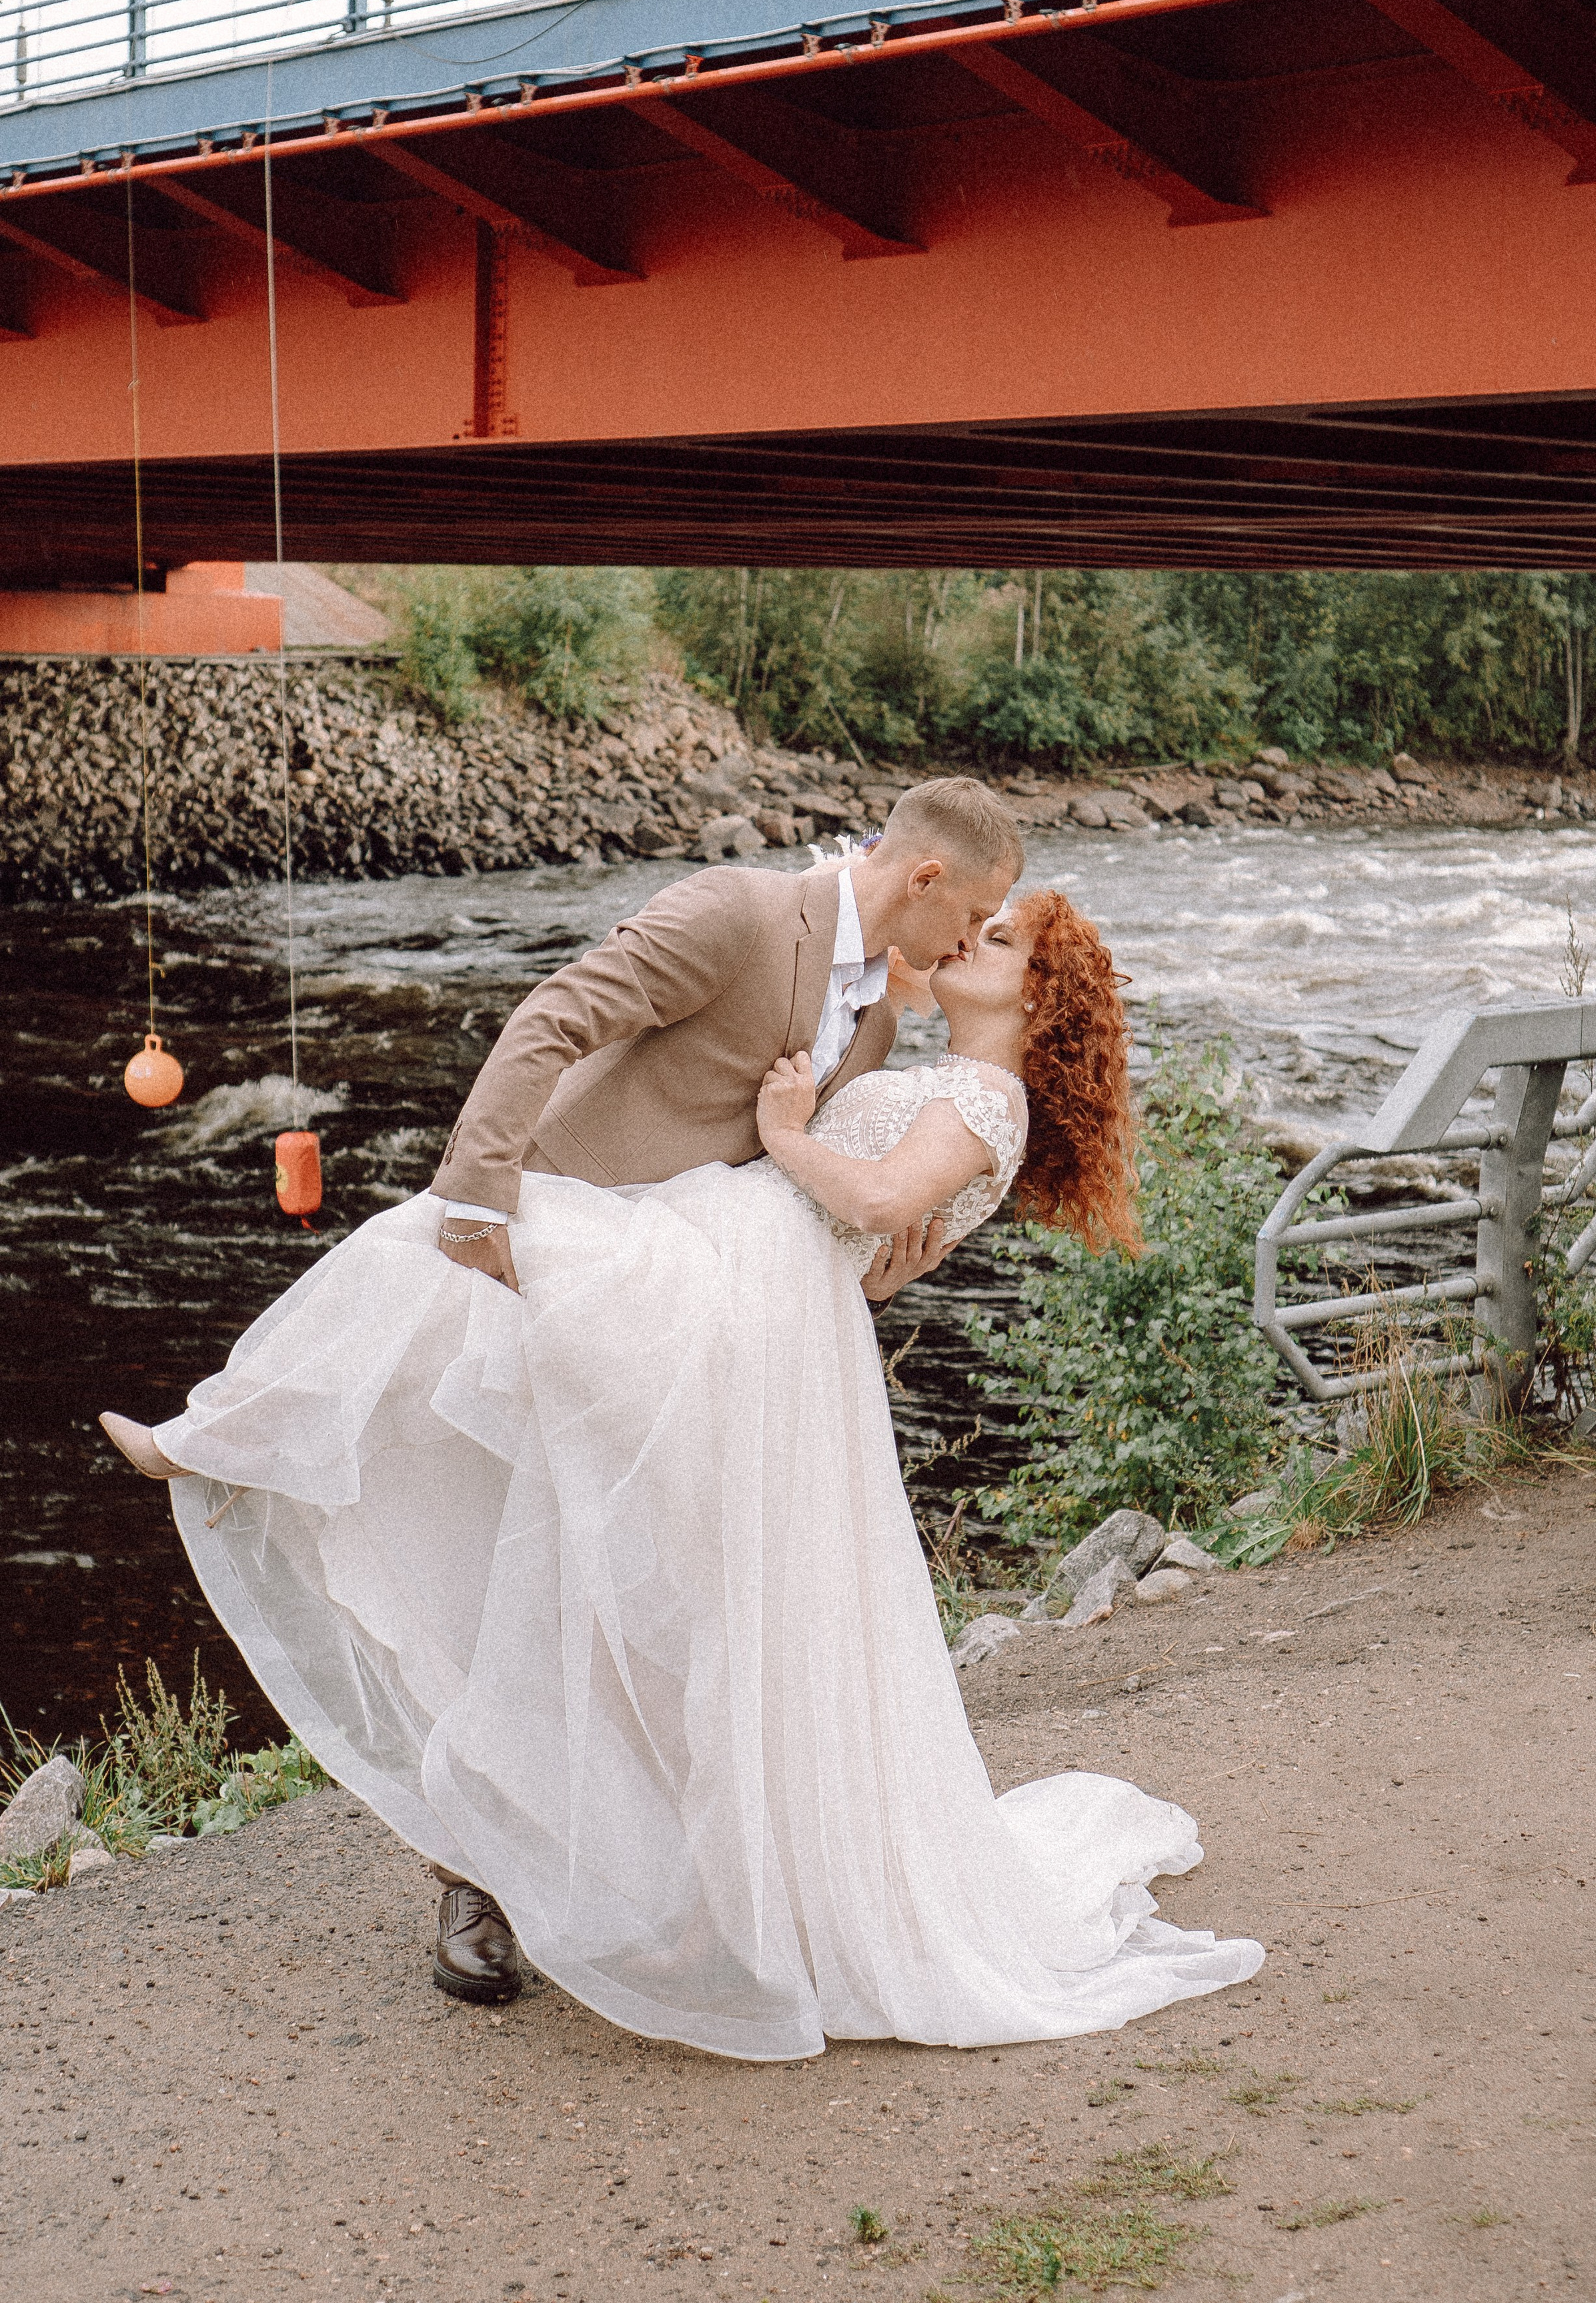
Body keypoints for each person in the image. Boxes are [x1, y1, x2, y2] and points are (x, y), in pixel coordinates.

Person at [102, 810, 1263, 2056]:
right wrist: (482, 1189)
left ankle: (667, 1894)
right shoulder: (749, 918)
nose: (969, 941)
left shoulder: (909, 1045)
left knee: (659, 1608)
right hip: (651, 1267)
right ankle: (248, 1455)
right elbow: (558, 1022)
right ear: (925, 877)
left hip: (723, 1315)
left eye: (996, 937)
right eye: (973, 918)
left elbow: (851, 1206)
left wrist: (838, 1206)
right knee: (463, 1361)